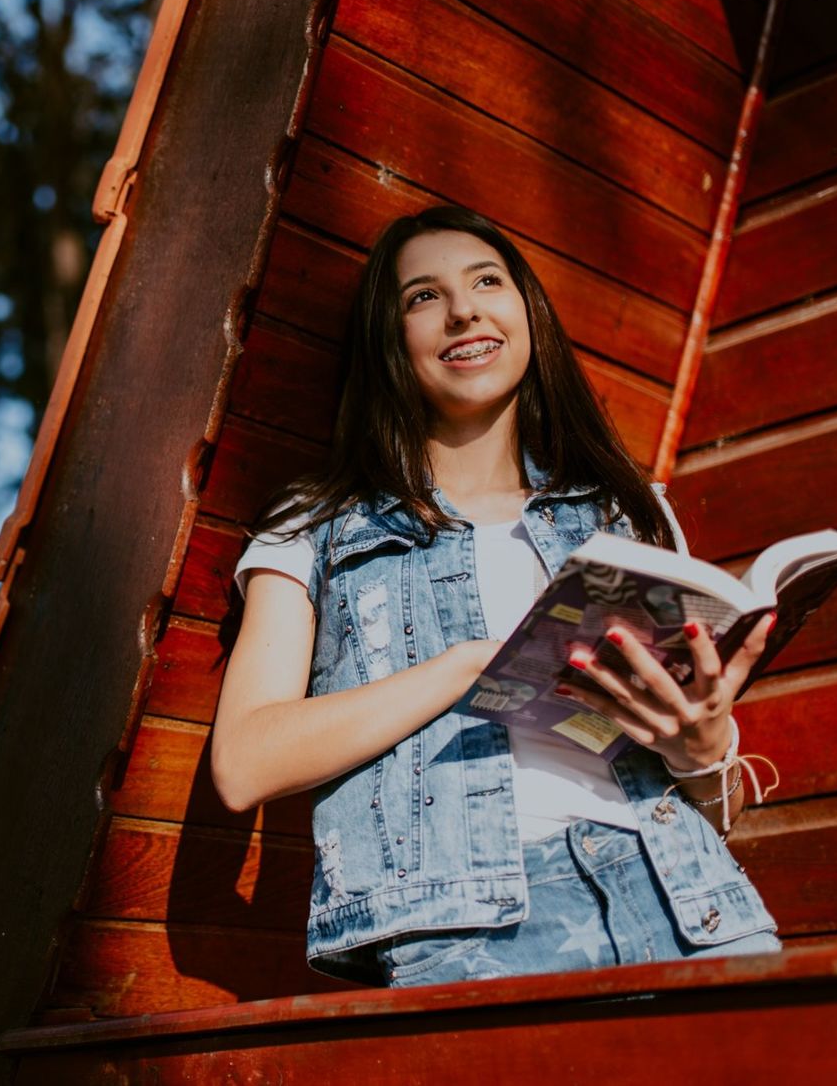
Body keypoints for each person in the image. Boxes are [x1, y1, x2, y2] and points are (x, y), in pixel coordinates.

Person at [209, 205, 781, 988]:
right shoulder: (316, 525)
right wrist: (468, 667)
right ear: (389, 341)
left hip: (694, 903)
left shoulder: (622, 512)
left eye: (487, 281)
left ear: (527, 314)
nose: (464, 308)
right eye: (422, 296)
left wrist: (703, 747)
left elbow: (711, 812)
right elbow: (244, 761)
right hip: (472, 936)